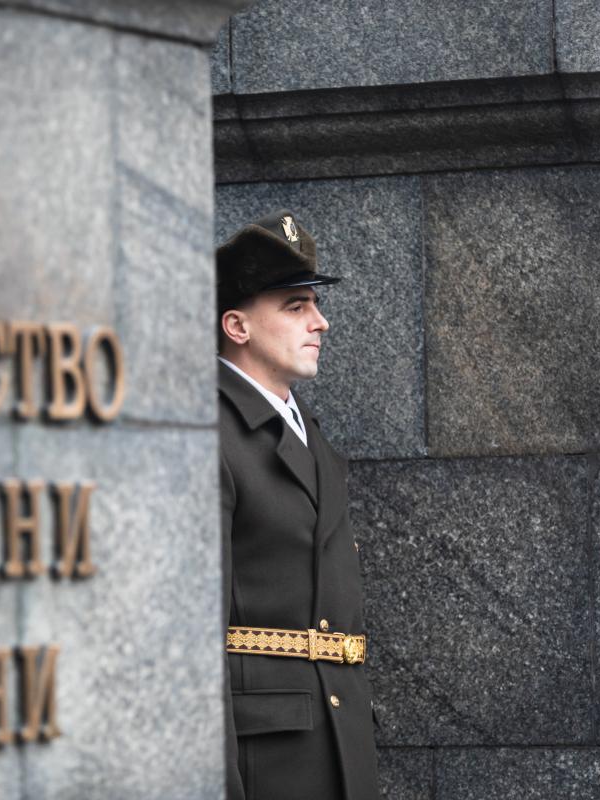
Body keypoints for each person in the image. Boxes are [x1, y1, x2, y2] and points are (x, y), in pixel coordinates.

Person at [217, 209, 378, 799]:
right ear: (237, 326)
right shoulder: (205, 434)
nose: (321, 322)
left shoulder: (306, 432)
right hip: (264, 763)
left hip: (332, 749)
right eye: (295, 306)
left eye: (315, 304)